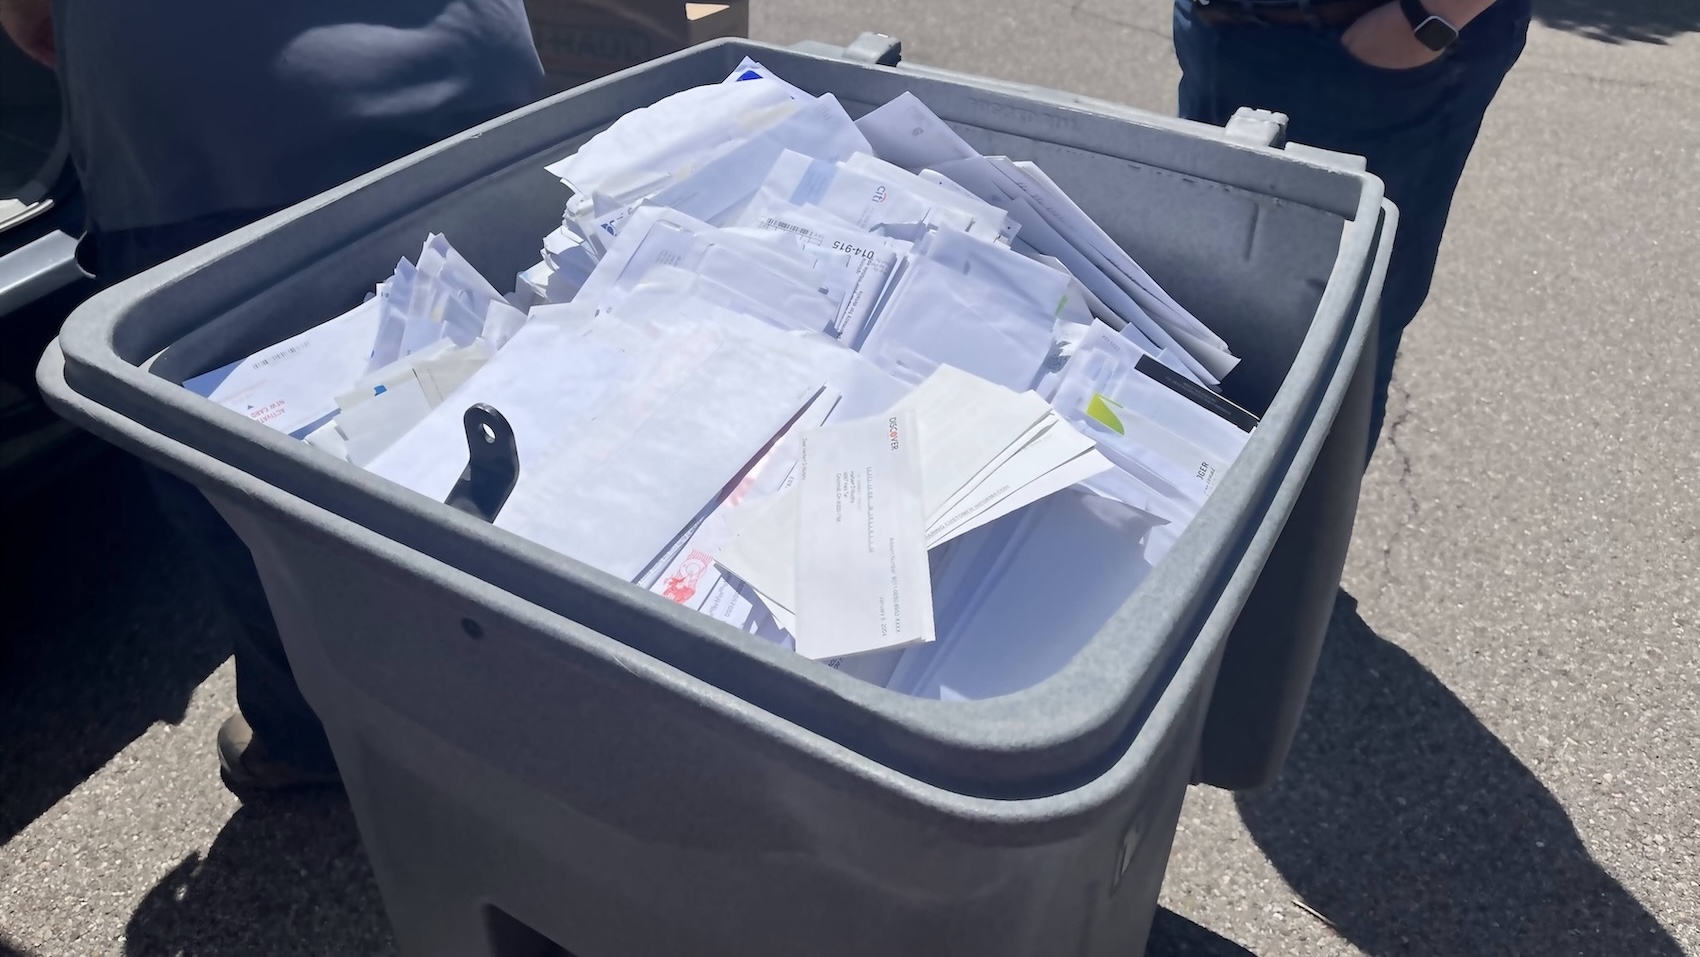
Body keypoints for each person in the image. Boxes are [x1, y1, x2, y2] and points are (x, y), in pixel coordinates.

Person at [1, 0, 543, 793]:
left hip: (211, 132)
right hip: (474, 69)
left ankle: (307, 734)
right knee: (498, 382)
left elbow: (31, 21)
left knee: (241, 478)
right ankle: (540, 693)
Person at [1172, 0, 1530, 461]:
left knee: (1319, 360)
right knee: (1189, 313)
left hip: (1367, 51)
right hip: (1216, 28)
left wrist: (1423, 20)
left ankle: (1281, 531)